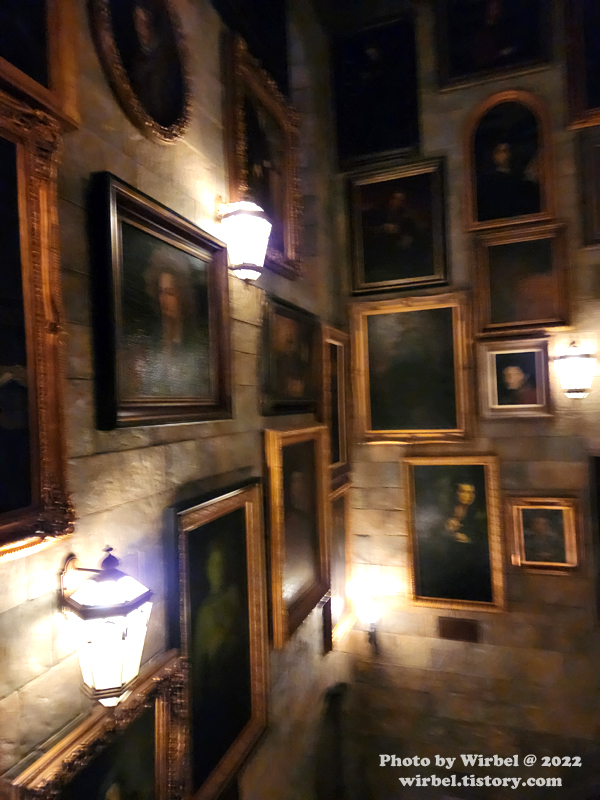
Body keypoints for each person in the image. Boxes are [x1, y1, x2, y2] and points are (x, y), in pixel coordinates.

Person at [123, 246, 210, 399]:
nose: (164, 299)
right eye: (161, 292)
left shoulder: (196, 345)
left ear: (181, 296)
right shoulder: (151, 342)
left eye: (170, 293)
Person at [417, 481, 493, 603]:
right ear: (456, 493)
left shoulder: (478, 515)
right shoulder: (445, 512)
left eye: (471, 492)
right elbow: (429, 533)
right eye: (463, 491)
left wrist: (466, 538)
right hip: (447, 557)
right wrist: (446, 529)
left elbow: (482, 538)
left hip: (469, 558)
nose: (468, 495)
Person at [127, 0, 183, 128]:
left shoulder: (166, 61)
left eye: (143, 23)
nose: (140, 29)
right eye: (137, 22)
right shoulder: (137, 58)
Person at [362, 189, 430, 283]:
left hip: (398, 247)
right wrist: (382, 228)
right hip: (379, 245)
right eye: (395, 199)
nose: (398, 202)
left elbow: (411, 231)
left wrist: (408, 237)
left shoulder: (406, 217)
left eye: (401, 200)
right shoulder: (375, 213)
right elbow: (365, 229)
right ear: (389, 199)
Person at [477, 139, 540, 221]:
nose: (504, 155)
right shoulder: (488, 181)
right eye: (499, 152)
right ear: (493, 155)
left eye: (506, 151)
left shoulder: (521, 179)